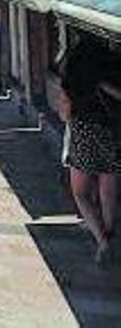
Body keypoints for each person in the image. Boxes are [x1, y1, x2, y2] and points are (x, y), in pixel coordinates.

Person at [58, 38, 121, 264]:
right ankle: (110, 233)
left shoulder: (73, 74)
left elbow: (64, 112)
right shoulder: (113, 68)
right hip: (112, 134)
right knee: (108, 194)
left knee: (81, 194)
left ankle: (101, 240)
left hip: (82, 133)